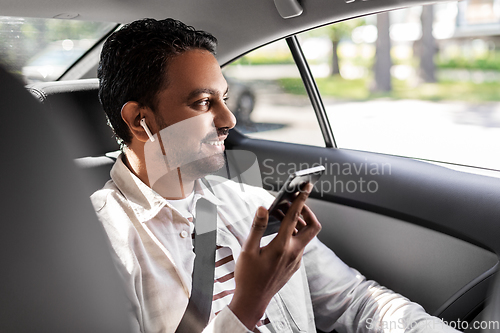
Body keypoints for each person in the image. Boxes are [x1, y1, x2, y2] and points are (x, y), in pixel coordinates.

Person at [92, 18, 459, 333]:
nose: (229, 120)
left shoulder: (252, 204)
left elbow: (356, 301)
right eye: (204, 103)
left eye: (225, 99)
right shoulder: (101, 243)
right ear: (140, 121)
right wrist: (247, 306)